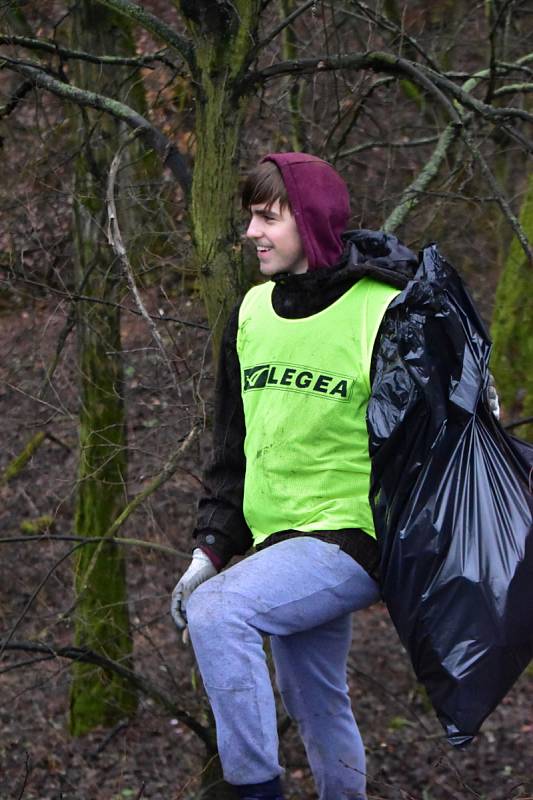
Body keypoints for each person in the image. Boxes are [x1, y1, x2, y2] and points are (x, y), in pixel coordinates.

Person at [170, 152, 423, 800]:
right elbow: (232, 449)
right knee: (315, 699)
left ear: (308, 220)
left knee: (219, 612)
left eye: (267, 217)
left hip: (352, 535)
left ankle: (253, 792)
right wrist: (209, 549)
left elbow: (439, 434)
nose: (251, 232)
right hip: (278, 541)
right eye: (249, 217)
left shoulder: (382, 311)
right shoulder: (250, 313)